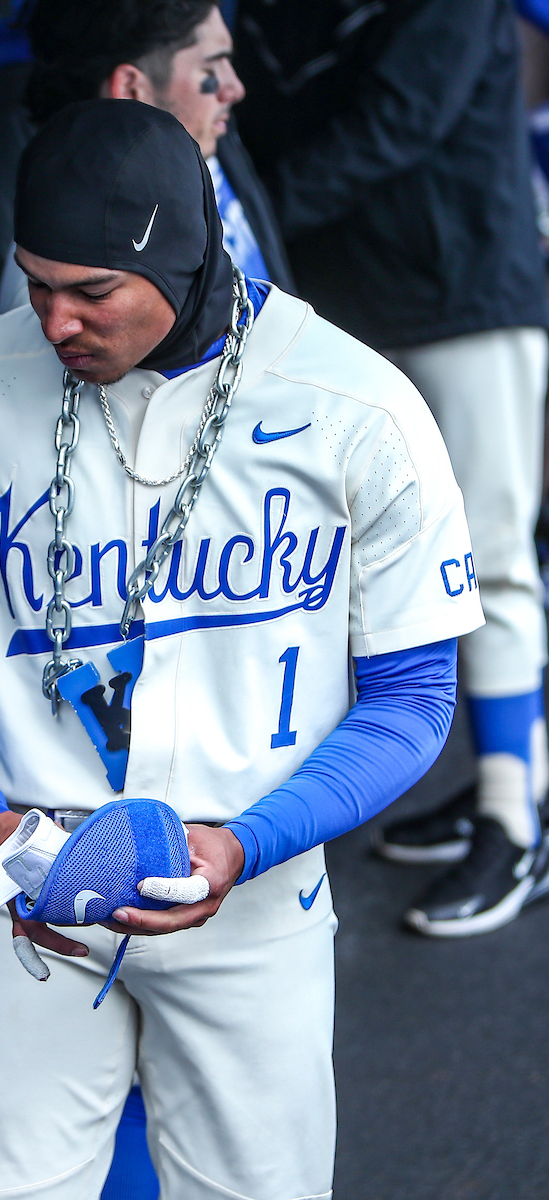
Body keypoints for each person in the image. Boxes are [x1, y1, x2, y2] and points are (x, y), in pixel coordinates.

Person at [0, 101, 482, 1198]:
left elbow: (411, 698)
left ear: (184, 258)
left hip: (255, 896)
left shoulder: (355, 407)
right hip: (28, 893)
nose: (53, 320)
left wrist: (245, 845)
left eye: (91, 291)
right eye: (34, 280)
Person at [233, 0, 549, 936]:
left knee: (490, 560)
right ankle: (500, 786)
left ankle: (511, 820)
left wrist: (247, 221)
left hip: (463, 294)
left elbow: (398, 122)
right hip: (339, 308)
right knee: (351, 574)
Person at [0, 0, 293, 338]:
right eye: (211, 68)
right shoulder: (3, 153)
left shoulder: (205, 129)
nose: (234, 88)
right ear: (131, 87)